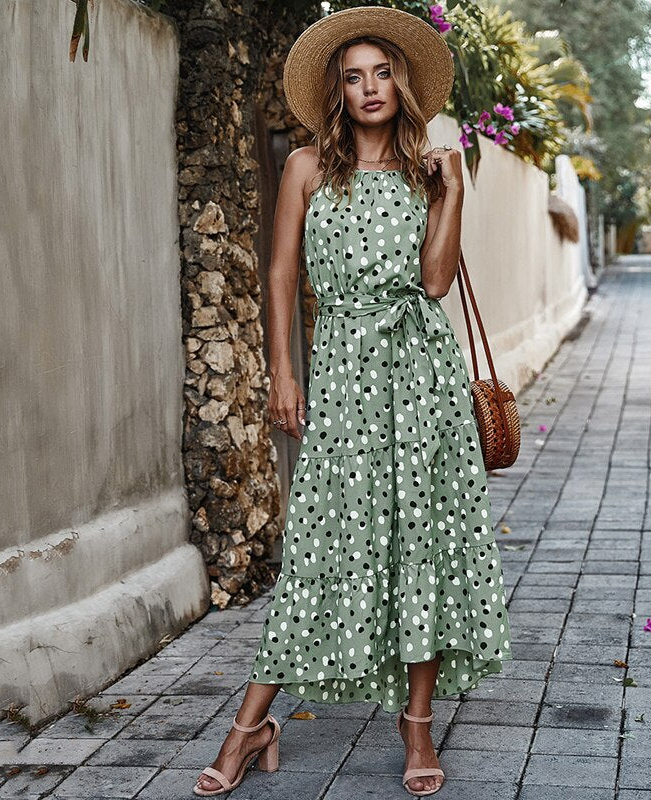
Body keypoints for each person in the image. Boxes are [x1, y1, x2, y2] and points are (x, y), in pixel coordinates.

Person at [193, 6, 511, 797]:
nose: (369, 88)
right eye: (353, 76)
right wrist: (283, 371)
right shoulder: (306, 167)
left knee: (423, 543)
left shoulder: (426, 171)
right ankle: (250, 725)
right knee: (321, 548)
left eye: (381, 74)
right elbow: (277, 275)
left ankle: (417, 727)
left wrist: (454, 192)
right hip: (338, 373)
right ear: (338, 91)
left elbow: (435, 282)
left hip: (422, 380)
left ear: (402, 85)